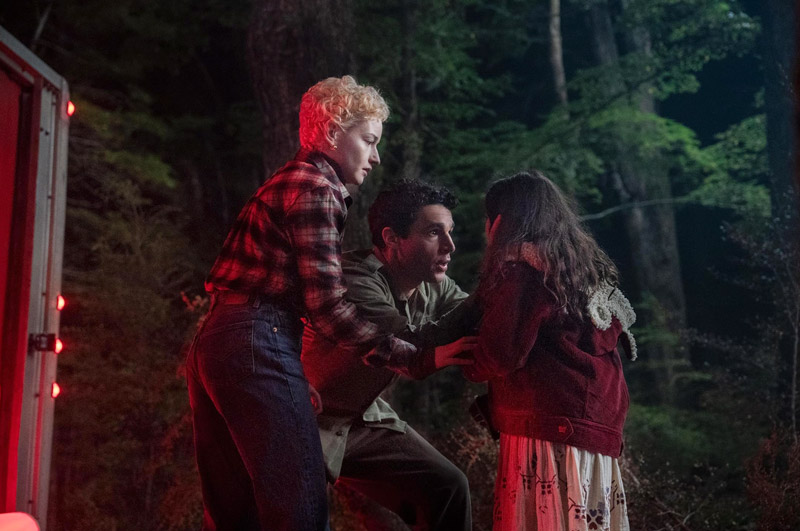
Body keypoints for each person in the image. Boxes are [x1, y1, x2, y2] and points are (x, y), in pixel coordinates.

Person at [186, 76, 420, 531]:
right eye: (369, 140)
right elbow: (328, 306)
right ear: (333, 133)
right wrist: (404, 354)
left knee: (235, 514)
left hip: (216, 343)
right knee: (300, 509)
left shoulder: (287, 180)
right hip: (256, 339)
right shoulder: (316, 188)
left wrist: (289, 368)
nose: (376, 156)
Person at [302, 179, 480, 530]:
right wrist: (484, 301)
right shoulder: (354, 279)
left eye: (450, 232)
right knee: (298, 517)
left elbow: (475, 315)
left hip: (363, 418)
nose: (450, 245)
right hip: (307, 419)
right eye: (434, 233)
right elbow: (408, 344)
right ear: (392, 238)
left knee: (447, 487)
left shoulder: (433, 286)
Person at [464, 171, 637, 531]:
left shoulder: (525, 274)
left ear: (499, 223)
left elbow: (500, 353)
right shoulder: (578, 274)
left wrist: (467, 359)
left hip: (547, 432)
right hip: (591, 430)